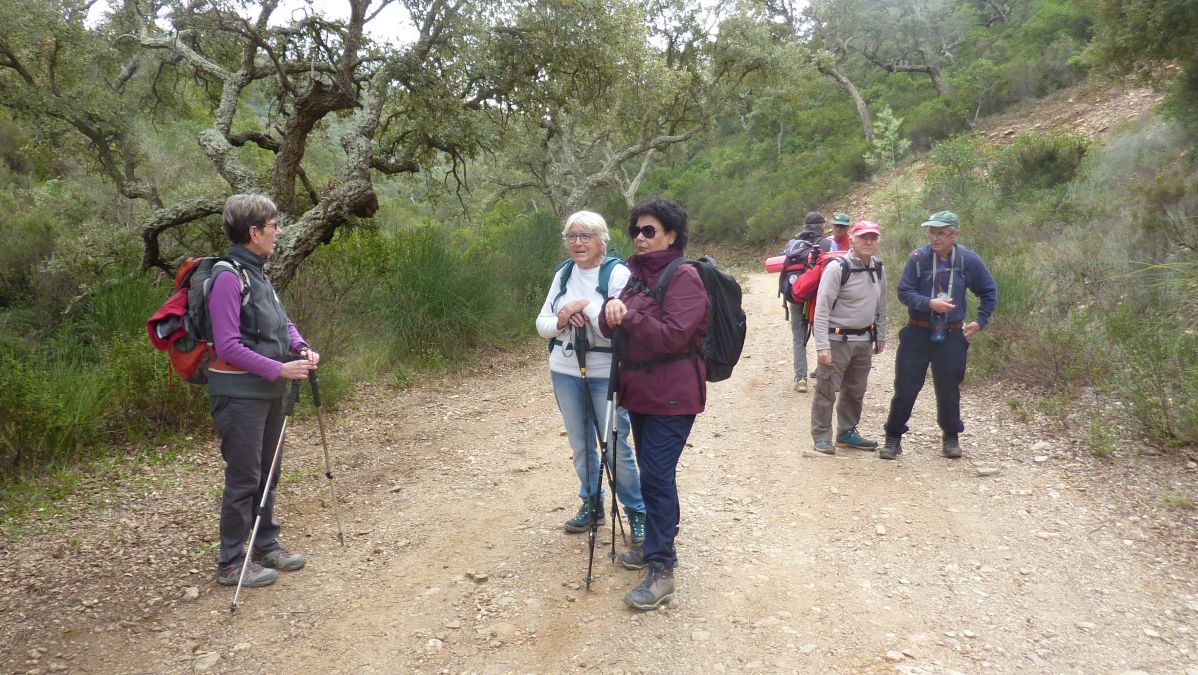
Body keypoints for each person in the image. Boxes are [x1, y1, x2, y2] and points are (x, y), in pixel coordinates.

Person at [600, 197, 709, 610]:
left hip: (674, 395)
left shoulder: (684, 277)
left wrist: (625, 316)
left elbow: (672, 336)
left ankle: (663, 567)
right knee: (651, 475)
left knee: (658, 477)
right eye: (636, 231)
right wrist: (607, 315)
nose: (640, 238)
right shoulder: (635, 275)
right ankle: (654, 553)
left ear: (671, 235)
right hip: (641, 393)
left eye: (650, 231)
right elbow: (617, 326)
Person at [208, 194, 319, 588]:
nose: (279, 231)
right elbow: (227, 345)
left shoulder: (259, 274)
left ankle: (265, 545)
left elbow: (282, 323)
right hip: (239, 396)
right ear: (253, 232)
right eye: (274, 225)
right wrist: (280, 368)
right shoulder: (227, 277)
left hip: (268, 391)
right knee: (244, 476)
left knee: (268, 473)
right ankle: (230, 562)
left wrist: (301, 347)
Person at [535, 211, 647, 545]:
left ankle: (636, 511)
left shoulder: (618, 275)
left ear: (602, 240)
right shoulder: (564, 273)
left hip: (606, 374)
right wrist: (563, 317)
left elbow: (622, 328)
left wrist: (587, 309)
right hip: (564, 370)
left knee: (615, 445)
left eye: (585, 236)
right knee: (581, 443)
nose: (578, 243)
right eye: (571, 237)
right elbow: (542, 324)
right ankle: (591, 503)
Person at [881, 211, 998, 460]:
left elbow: (989, 291)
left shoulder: (968, 260)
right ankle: (893, 438)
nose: (935, 238)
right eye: (931, 232)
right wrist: (928, 303)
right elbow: (904, 291)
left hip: (953, 334)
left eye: (941, 233)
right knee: (905, 387)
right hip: (917, 331)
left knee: (949, 388)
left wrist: (981, 321)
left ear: (955, 234)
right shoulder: (918, 258)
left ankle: (951, 436)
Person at [810, 221, 888, 455]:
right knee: (826, 389)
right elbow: (821, 309)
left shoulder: (878, 268)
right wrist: (822, 345)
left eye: (873, 238)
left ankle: (846, 433)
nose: (868, 242)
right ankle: (822, 435)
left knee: (856, 390)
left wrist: (880, 334)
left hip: (863, 340)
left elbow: (881, 305)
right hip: (836, 340)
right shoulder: (837, 268)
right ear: (852, 239)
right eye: (863, 237)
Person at [785, 211, 832, 393]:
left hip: (797, 295)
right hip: (820, 298)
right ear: (822, 226)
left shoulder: (793, 243)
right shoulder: (828, 243)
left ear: (805, 225)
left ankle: (801, 378)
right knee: (824, 336)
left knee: (799, 338)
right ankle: (826, 376)